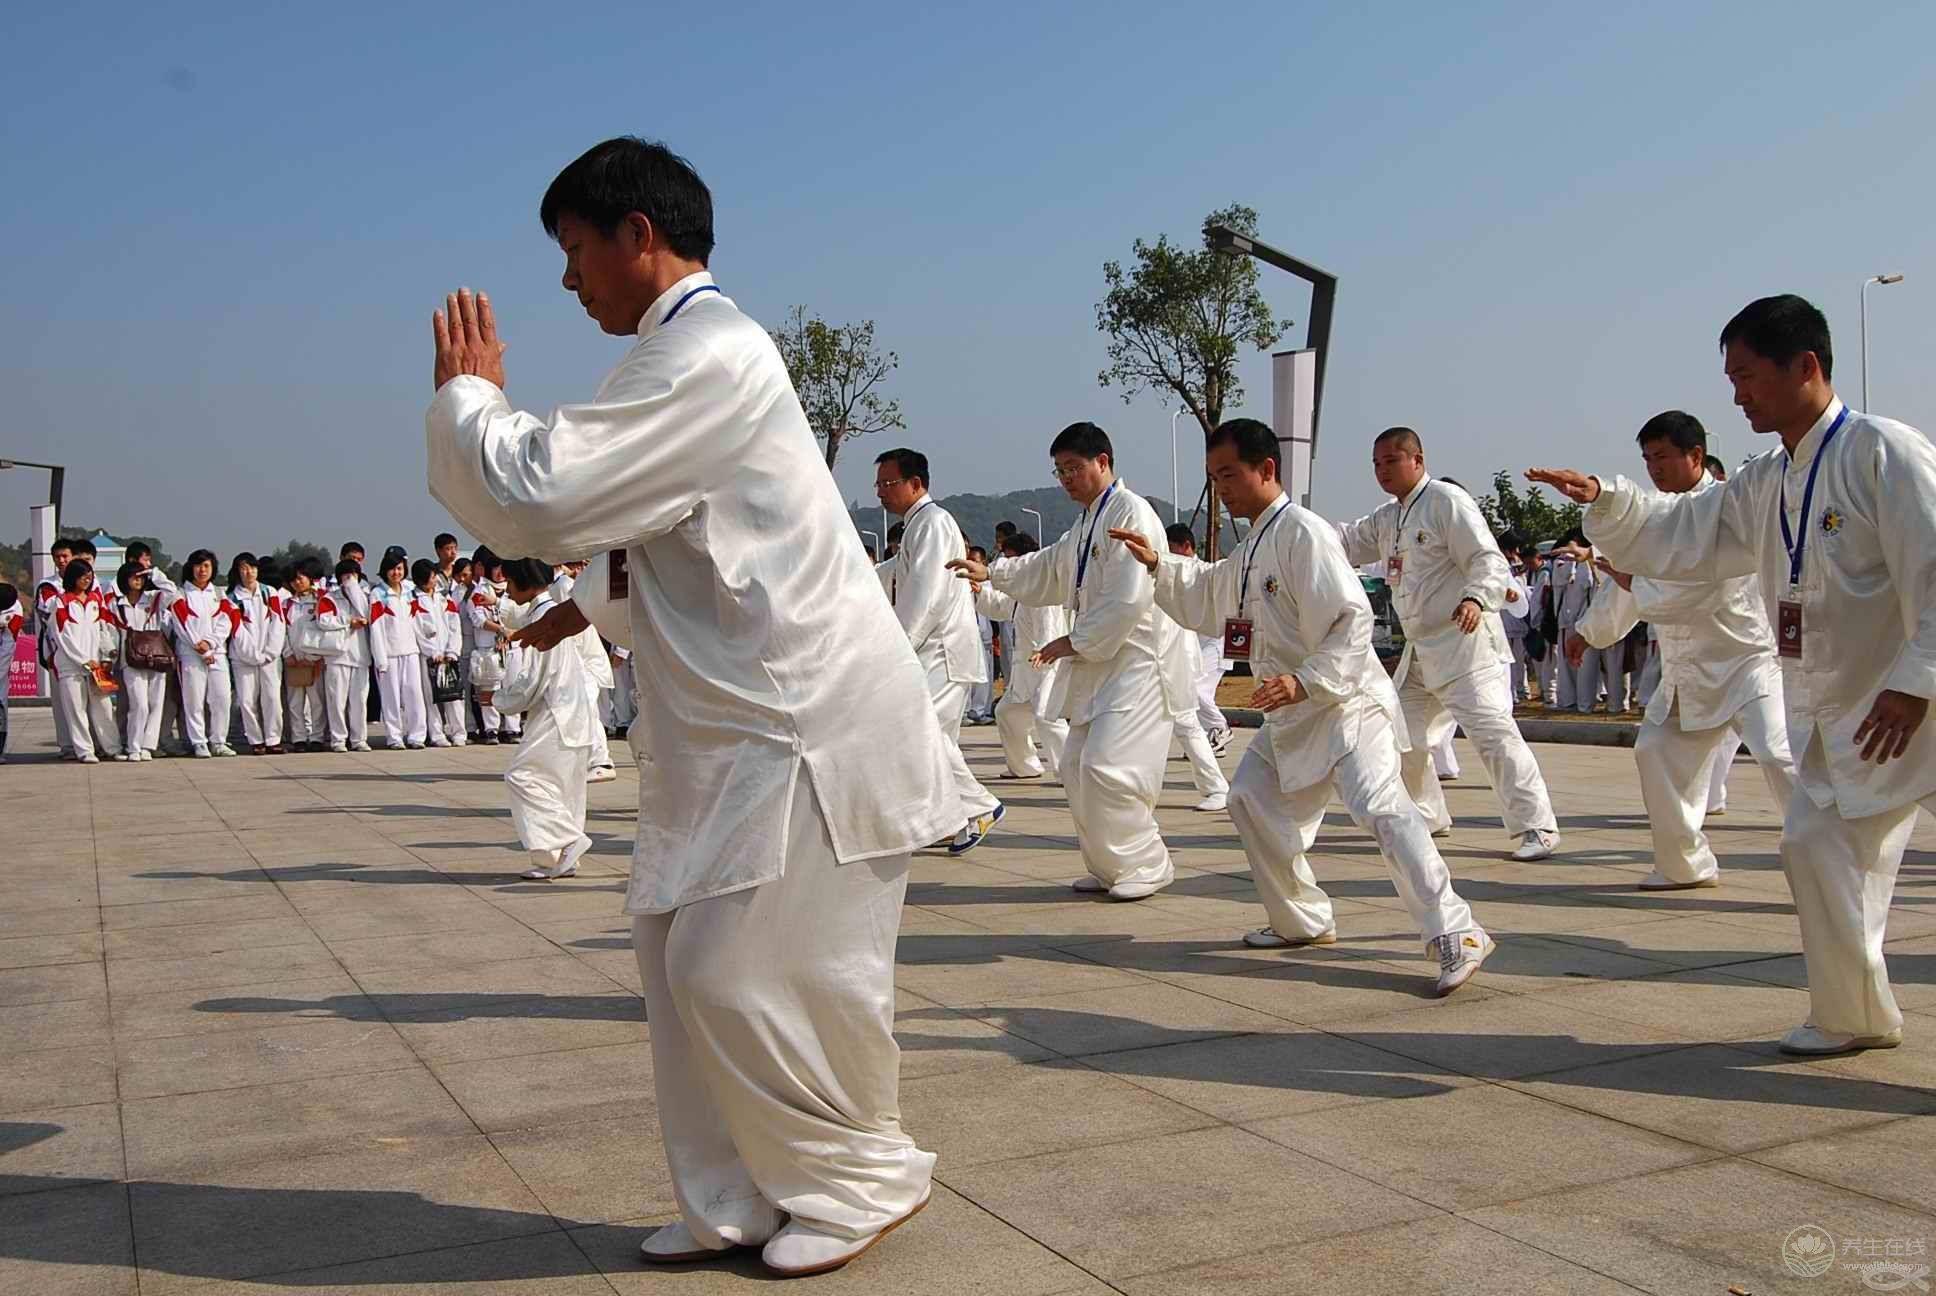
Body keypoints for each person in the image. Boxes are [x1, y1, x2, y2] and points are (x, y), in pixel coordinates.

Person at [425, 137, 950, 1275]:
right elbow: (634, 552)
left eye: (575, 252)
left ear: (638, 236)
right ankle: (734, 1198)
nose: (569, 283)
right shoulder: (666, 362)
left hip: (801, 725)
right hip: (720, 734)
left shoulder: (712, 353)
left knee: (753, 969)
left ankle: (864, 1173)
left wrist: (469, 400)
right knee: (676, 971)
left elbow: (543, 492)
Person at [1529, 293, 1936, 1057]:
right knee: (1813, 845)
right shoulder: (1764, 480)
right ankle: (1854, 1016)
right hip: (1850, 712)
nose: (1737, 395)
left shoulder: (1884, 451)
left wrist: (1919, 681)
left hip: (1915, 703)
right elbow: (1685, 531)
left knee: (1819, 843)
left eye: (1747, 376)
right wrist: (1607, 501)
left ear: (1805, 367)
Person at [1120, 419, 1492, 993]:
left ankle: (1457, 930)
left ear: (1267, 470)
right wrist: (1159, 565)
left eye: (1229, 475)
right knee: (1247, 797)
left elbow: (1352, 619)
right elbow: (1212, 593)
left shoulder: (1303, 533)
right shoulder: (1256, 544)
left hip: (1344, 705)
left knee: (1381, 808)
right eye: (1214, 478)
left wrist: (1306, 681)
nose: (1222, 489)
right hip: (1292, 715)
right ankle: (1301, 919)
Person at [949, 421, 1192, 899]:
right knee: (1077, 766)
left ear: (1103, 462)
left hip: (1137, 661)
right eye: (1059, 471)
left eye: (1073, 468)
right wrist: (993, 572)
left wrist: (1075, 641)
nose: (1065, 479)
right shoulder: (1085, 524)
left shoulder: (1132, 514)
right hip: (1099, 662)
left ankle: (1148, 862)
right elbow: (1047, 568)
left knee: (1110, 766)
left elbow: (1129, 599)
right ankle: (1109, 866)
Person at [1567, 411, 1797, 890]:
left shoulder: (1727, 509)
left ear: (1695, 456)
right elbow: (1628, 581)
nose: (1654, 467)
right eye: (1647, 458)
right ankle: (1684, 864)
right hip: (1685, 669)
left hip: (1745, 662)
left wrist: (1632, 580)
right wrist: (1588, 631)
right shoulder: (1653, 517)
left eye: (1663, 456)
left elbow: (1697, 586)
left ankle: (1830, 853)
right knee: (1655, 752)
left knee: (1778, 753)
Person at [1337, 428, 1561, 860]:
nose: (1382, 470)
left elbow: (1486, 558)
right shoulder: (1388, 518)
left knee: (1494, 734)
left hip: (1465, 644)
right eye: (1376, 463)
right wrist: (1296, 528)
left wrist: (1476, 597)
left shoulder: (1445, 502)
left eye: (1391, 460)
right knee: (1402, 735)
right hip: (1420, 653)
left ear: (1417, 460)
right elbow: (1346, 541)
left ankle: (1538, 826)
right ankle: (1427, 814)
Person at [876, 447, 1004, 854]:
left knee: (921, 736)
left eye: (888, 483)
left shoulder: (932, 523)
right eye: (878, 484)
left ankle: (980, 805)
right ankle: (951, 817)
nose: (880, 492)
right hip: (935, 652)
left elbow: (927, 594)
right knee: (934, 740)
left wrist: (900, 648)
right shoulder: (917, 526)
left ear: (916, 484)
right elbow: (893, 574)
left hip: (941, 653)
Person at [492, 559, 597, 880]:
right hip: (571, 712)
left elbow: (533, 681)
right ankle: (555, 860)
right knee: (562, 787)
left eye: (509, 582)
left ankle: (568, 839)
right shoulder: (550, 612)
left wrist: (499, 700)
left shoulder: (545, 619)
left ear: (523, 579)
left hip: (557, 714)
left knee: (522, 776)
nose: (508, 591)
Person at [973, 532, 1069, 779]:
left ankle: (1070, 770)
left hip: (1048, 664)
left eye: (1010, 560)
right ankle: (1024, 766)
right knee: (1006, 713)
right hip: (1027, 671)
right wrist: (979, 593)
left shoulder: (1044, 587)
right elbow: (1000, 608)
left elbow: (1051, 623)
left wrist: (1044, 650)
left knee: (1047, 716)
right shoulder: (1020, 591)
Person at [547, 560, 618, 780]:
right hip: (576, 656)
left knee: (589, 708)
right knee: (581, 710)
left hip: (584, 658)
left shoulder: (565, 586)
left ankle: (601, 761)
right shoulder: (560, 584)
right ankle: (587, 759)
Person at [1165, 526, 1232, 755]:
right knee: (1192, 690)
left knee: (1195, 689)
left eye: (1172, 549)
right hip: (1196, 644)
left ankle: (1219, 728)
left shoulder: (1204, 572)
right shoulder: (1176, 573)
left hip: (1216, 641)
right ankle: (1209, 739)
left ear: (1186, 546)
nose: (1169, 554)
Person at [167, 549, 239, 758]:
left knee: (222, 698)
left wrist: (210, 643)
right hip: (190, 654)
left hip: (217, 653)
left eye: (206, 566)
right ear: (191, 568)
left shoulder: (218, 594)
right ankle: (199, 741)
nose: (202, 570)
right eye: (198, 566)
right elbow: (182, 624)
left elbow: (226, 620)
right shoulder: (181, 595)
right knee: (194, 700)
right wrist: (198, 645)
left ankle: (219, 740)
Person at [52, 560, 125, 763]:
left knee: (103, 708)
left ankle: (112, 747)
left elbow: (103, 629)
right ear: (72, 577)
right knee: (76, 710)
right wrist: (84, 660)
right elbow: (62, 636)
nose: (87, 579)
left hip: (96, 667)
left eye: (90, 575)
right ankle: (85, 751)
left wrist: (107, 655)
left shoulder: (95, 600)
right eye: (83, 575)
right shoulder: (60, 601)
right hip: (71, 667)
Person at [225, 553, 286, 755]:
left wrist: (270, 652)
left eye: (252, 567)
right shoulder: (232, 598)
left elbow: (278, 623)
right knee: (247, 700)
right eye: (243, 568)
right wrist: (253, 655)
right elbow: (237, 631)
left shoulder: (270, 593)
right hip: (243, 659)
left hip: (270, 657)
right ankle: (255, 739)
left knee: (272, 698)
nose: (248, 572)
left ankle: (273, 738)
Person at [369, 553, 429, 749]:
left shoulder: (411, 591)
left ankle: (416, 736)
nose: (397, 572)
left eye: (400, 569)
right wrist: (380, 658)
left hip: (411, 650)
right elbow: (376, 628)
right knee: (391, 697)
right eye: (393, 569)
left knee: (414, 694)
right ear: (385, 570)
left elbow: (420, 621)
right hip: (389, 653)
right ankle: (394, 737)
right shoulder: (378, 594)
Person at [111, 562, 169, 761]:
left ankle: (148, 746)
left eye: (142, 576)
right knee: (139, 704)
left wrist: (155, 573)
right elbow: (110, 630)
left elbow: (173, 591)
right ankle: (133, 746)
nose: (139, 579)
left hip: (157, 657)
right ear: (124, 578)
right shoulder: (117, 603)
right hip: (130, 659)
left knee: (156, 703)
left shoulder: (154, 598)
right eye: (134, 576)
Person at [412, 558, 467, 748]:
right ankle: (437, 734)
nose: (435, 580)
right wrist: (432, 651)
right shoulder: (413, 600)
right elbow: (417, 629)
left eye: (435, 576)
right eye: (432, 577)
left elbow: (454, 625)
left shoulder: (444, 598)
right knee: (432, 696)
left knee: (454, 694)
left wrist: (452, 650)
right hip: (429, 657)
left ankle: (459, 733)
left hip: (448, 653)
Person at [281, 558, 333, 751]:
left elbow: (324, 629)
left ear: (310, 578)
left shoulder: (322, 599)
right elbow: (282, 631)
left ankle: (318, 737)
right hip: (293, 661)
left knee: (316, 700)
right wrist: (288, 654)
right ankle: (299, 738)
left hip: (315, 661)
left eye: (300, 578)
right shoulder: (286, 604)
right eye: (293, 580)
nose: (297, 582)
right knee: (295, 702)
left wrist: (313, 657)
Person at [466, 554, 518, 744]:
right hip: (488, 647)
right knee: (490, 687)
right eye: (495, 568)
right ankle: (491, 729)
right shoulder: (480, 591)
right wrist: (501, 630)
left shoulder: (514, 588)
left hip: (513, 645)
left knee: (513, 686)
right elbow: (478, 619)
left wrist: (508, 633)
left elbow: (519, 614)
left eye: (502, 568)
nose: (499, 572)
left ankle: (512, 728)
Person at [962, 546, 998, 726]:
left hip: (984, 633)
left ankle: (980, 710)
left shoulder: (988, 584)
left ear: (983, 562)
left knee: (985, 675)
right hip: (970, 633)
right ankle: (969, 710)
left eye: (975, 562)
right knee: (970, 673)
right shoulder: (963, 582)